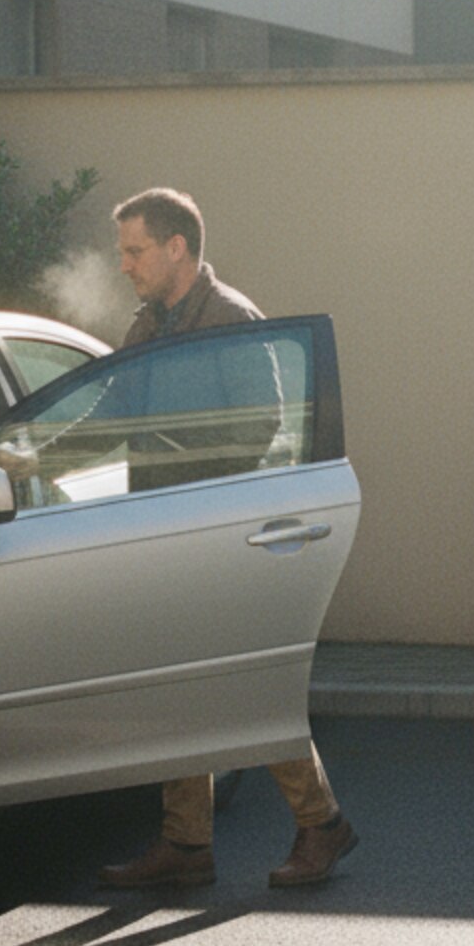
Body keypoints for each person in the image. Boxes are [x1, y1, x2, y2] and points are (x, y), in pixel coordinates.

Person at [92, 187, 357, 893]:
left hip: (220, 535)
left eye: (134, 250)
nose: (125, 265)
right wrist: (29, 453)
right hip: (165, 534)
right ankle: (186, 843)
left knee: (242, 692)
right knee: (181, 688)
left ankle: (323, 824)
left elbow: (262, 425)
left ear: (177, 247)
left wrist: (177, 453)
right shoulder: (146, 325)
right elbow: (106, 412)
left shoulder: (232, 319)